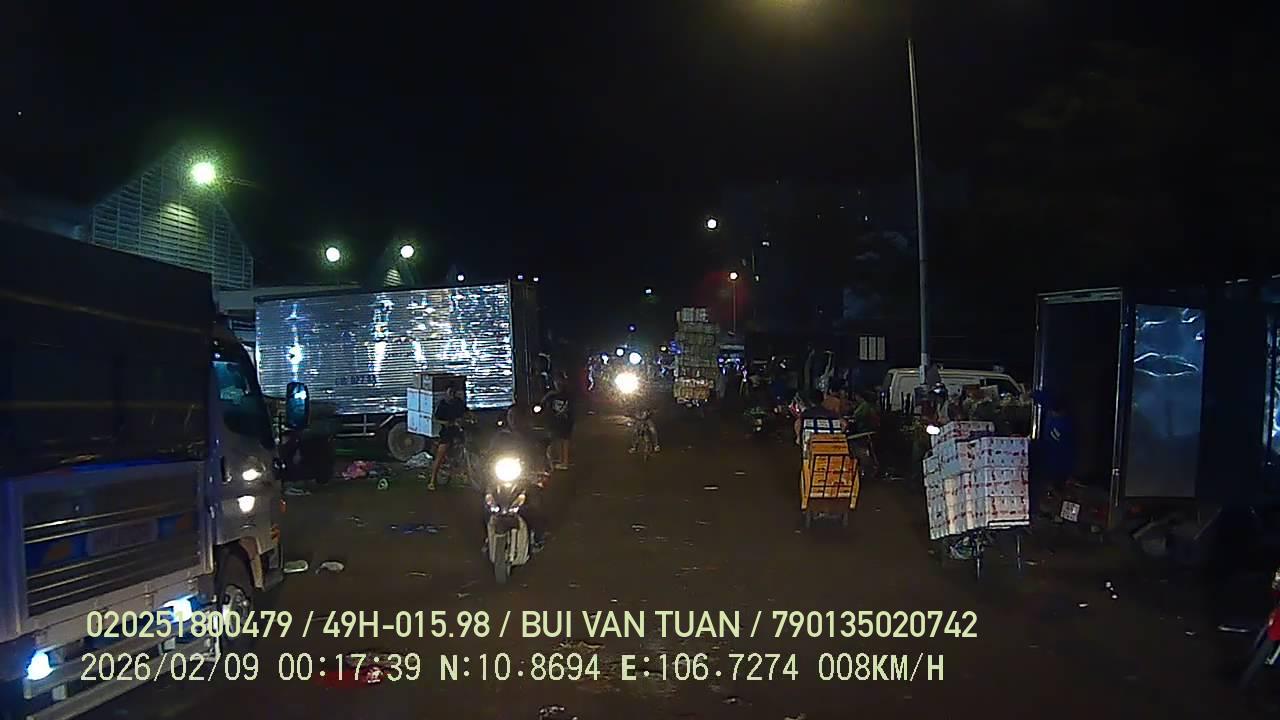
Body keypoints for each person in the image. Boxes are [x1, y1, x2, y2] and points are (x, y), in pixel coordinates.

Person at [483, 407, 547, 552]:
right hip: (501, 475)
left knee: (536, 504)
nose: (514, 420)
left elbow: (540, 455)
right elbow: (489, 454)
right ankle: (487, 537)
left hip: (525, 477)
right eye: (511, 417)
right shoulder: (501, 436)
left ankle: (537, 537)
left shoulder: (531, 436)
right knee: (487, 502)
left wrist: (541, 470)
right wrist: (487, 465)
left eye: (516, 417)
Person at [429, 381, 467, 490]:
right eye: (450, 392)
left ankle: (466, 475)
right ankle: (432, 481)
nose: (452, 394)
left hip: (459, 430)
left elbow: (466, 411)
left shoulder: (458, 402)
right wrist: (447, 423)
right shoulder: (442, 404)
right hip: (447, 432)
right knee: (440, 454)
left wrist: (470, 417)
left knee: (467, 447)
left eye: (453, 392)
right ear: (446, 392)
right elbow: (436, 419)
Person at [541, 373, 575, 470]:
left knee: (564, 442)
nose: (558, 384)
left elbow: (571, 408)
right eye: (556, 382)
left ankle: (564, 462)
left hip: (564, 421)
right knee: (556, 442)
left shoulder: (568, 394)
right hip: (555, 422)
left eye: (560, 382)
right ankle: (558, 461)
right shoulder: (552, 395)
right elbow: (542, 403)